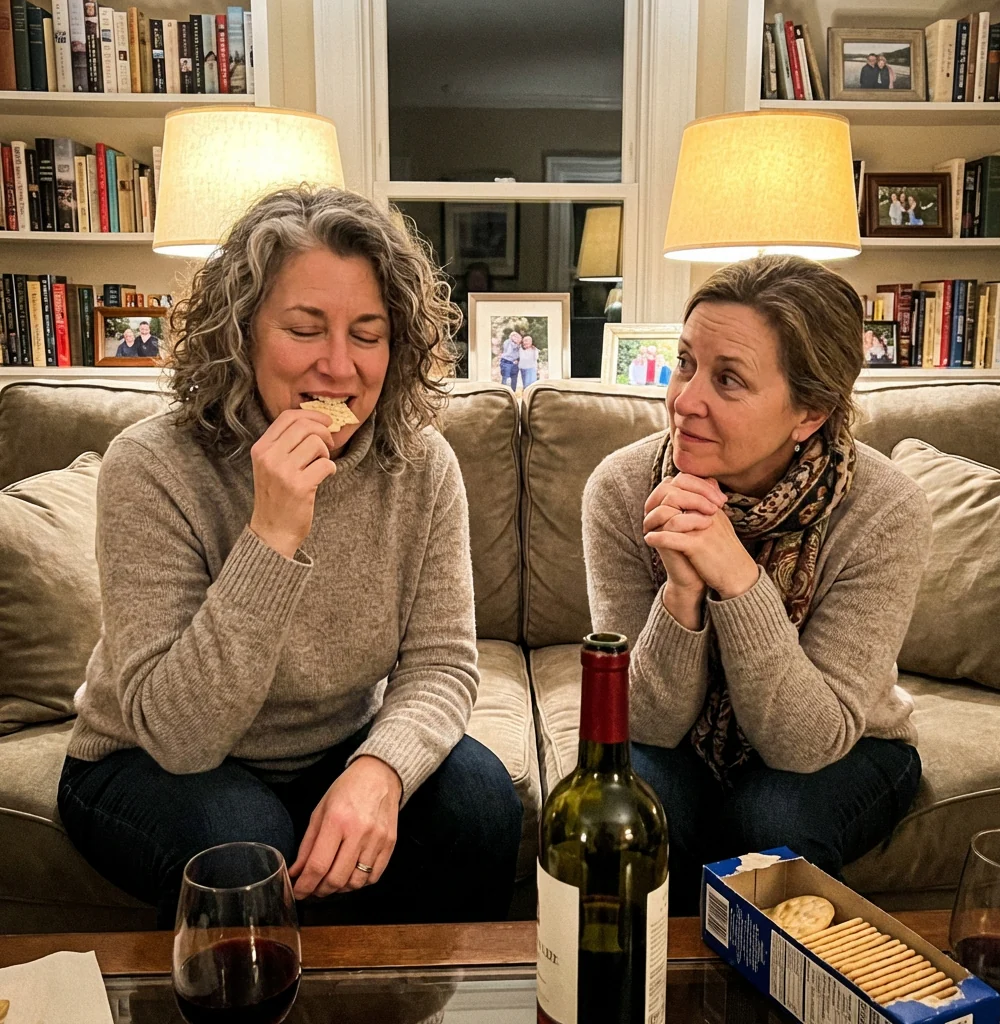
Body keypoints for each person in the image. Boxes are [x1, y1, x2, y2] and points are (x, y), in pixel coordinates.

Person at [57, 186, 523, 929]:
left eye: (367, 334)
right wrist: (271, 538)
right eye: (306, 329)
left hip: (333, 745)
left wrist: (379, 770)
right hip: (146, 758)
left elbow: (441, 664)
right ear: (240, 333)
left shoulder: (422, 464)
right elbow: (179, 736)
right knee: (243, 853)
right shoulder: (150, 466)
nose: (339, 367)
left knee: (483, 804)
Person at [583, 255, 930, 915]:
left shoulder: (885, 509)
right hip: (682, 743)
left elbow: (809, 741)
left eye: (729, 379)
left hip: (851, 743)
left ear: (810, 413)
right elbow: (645, 723)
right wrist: (681, 594)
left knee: (769, 818)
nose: (685, 401)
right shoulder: (624, 488)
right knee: (628, 802)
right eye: (684, 363)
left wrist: (737, 578)